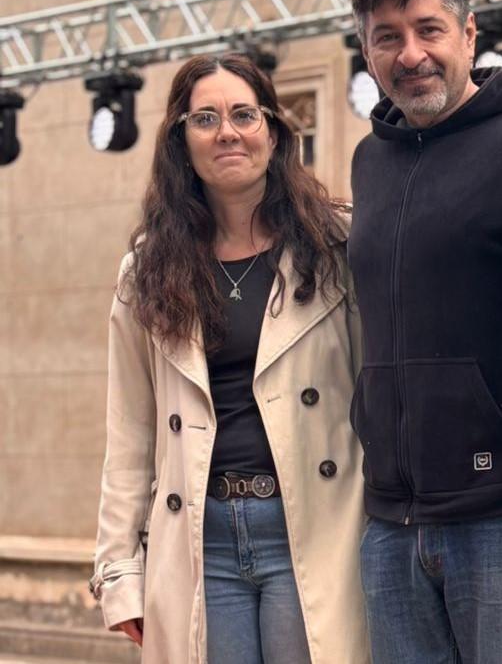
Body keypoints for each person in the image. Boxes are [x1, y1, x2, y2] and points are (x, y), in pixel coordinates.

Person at [91, 54, 369, 664]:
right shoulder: (147, 270)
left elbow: (375, 392)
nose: (227, 132)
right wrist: (119, 568)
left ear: (273, 130)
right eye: (205, 118)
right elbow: (130, 432)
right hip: (199, 539)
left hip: (314, 526)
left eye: (244, 114)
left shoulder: (337, 247)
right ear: (180, 140)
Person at [347, 0, 502, 664]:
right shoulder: (369, 159)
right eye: (387, 37)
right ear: (367, 52)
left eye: (428, 29)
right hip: (389, 521)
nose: (410, 55)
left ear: (469, 34)